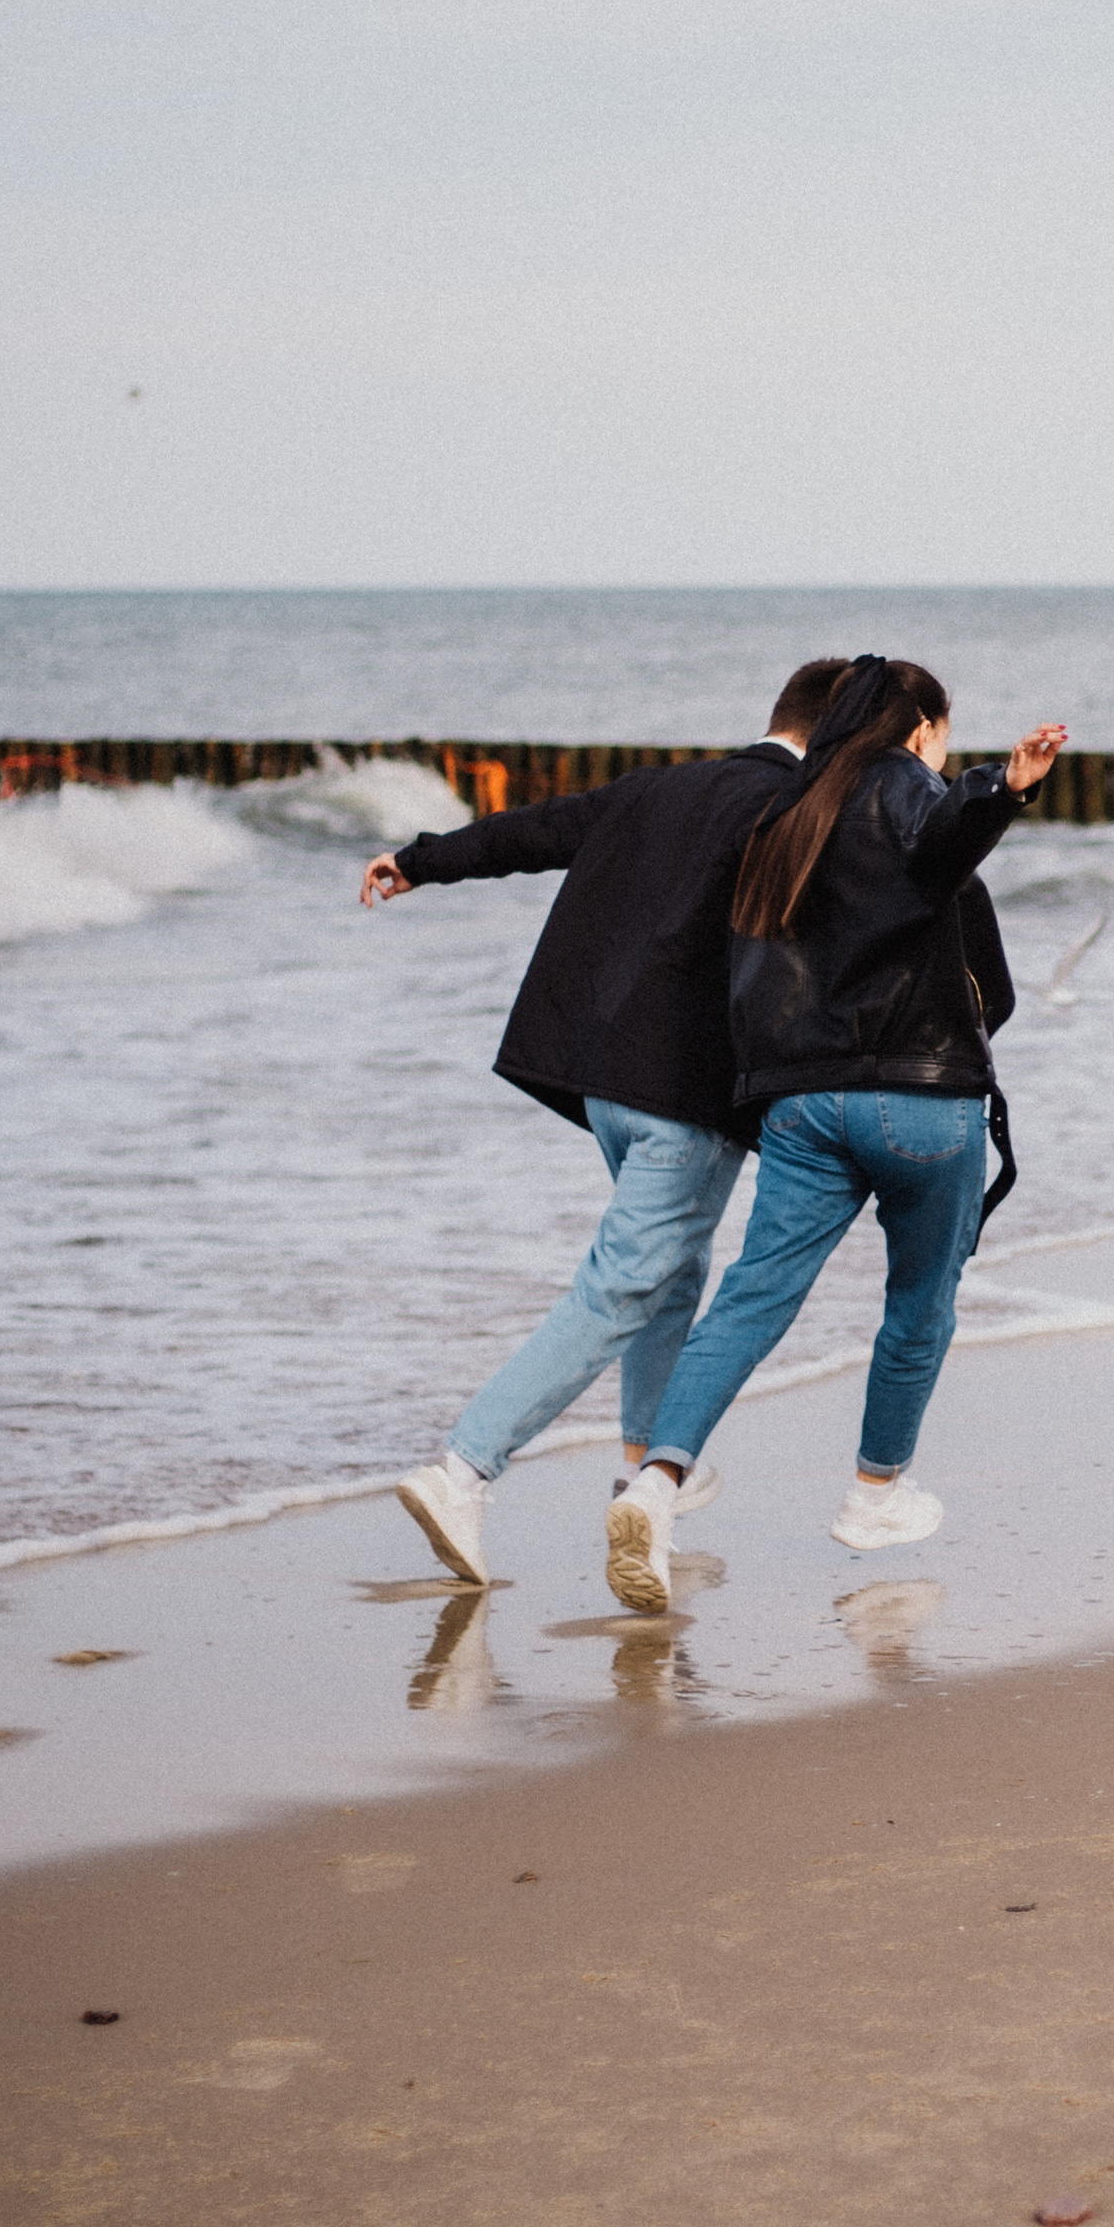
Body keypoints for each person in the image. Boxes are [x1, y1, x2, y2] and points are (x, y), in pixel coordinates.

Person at [358, 657, 851, 1585]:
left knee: (671, 1267)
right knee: (626, 1281)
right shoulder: (788, 815)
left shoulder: (660, 788)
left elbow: (537, 831)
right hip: (683, 1092)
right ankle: (462, 1468)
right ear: (831, 737)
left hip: (603, 1082)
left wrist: (420, 861)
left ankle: (641, 1474)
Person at [605, 656, 1065, 1606]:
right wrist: (1001, 788)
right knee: (918, 1305)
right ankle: (874, 1495)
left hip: (803, 1107)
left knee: (750, 1300)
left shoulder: (785, 820)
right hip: (922, 1104)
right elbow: (956, 876)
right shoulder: (910, 792)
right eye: (946, 736)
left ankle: (654, 1482)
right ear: (923, 729)